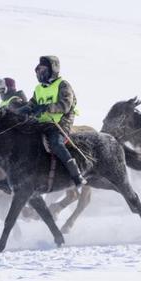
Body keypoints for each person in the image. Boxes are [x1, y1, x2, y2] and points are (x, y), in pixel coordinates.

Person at [21, 55, 87, 188]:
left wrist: (47, 107)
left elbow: (65, 105)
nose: (41, 72)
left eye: (44, 69)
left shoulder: (63, 85)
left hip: (60, 123)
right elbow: (32, 104)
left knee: (56, 143)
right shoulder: (38, 88)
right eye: (39, 69)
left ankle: (76, 175)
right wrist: (23, 110)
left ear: (53, 69)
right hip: (42, 123)